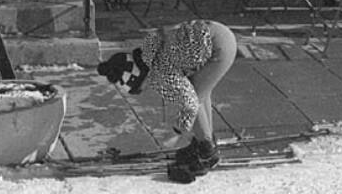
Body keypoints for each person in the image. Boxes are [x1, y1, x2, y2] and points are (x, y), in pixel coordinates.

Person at [98, 15, 239, 182]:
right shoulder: (148, 53)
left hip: (218, 48)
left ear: (135, 79)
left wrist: (178, 131)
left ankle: (207, 153)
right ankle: (206, 142)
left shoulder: (160, 74)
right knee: (201, 90)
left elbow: (190, 103)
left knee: (194, 96)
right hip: (221, 34)